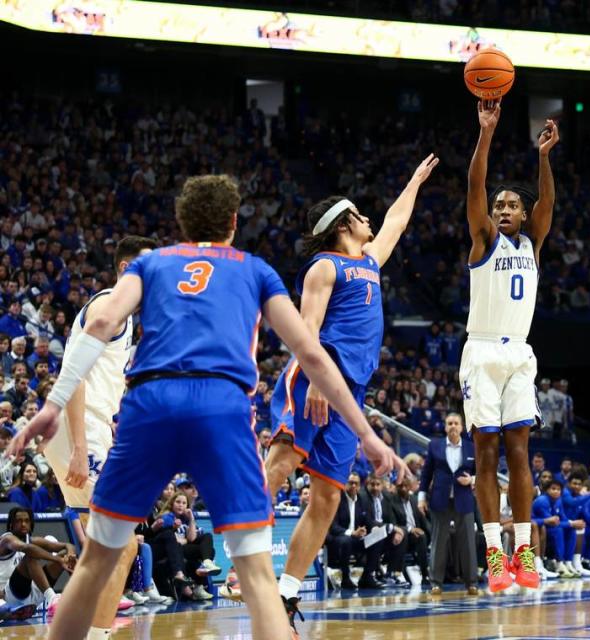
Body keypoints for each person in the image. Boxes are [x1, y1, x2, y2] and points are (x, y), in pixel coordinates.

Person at [7, 174, 403, 640]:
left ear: (180, 222)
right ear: (234, 222)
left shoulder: (150, 265)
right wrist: (369, 434)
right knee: (256, 577)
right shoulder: (255, 269)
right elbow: (312, 355)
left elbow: (100, 325)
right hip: (219, 409)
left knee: (96, 560)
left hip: (150, 406)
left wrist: (52, 405)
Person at [263, 156, 435, 629]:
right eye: (360, 215)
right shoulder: (324, 266)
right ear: (343, 225)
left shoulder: (370, 260)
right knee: (282, 461)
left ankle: (286, 592)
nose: (369, 219)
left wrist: (415, 180)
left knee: (328, 497)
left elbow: (397, 221)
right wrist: (318, 379)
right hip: (318, 373)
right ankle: (245, 564)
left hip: (351, 391)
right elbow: (306, 329)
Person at [460, 98, 559, 592]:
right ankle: (494, 554)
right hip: (480, 352)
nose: (502, 209)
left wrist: (543, 158)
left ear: (524, 213)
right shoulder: (484, 239)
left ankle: (523, 550)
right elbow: (475, 185)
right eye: (499, 205)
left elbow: (548, 205)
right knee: (486, 451)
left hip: (519, 352)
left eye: (511, 205)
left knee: (519, 449)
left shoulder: (532, 242)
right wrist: (487, 133)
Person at [36, 236, 157, 633]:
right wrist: (81, 446)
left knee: (104, 548)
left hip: (88, 428)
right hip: (79, 430)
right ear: (125, 269)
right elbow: (74, 376)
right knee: (123, 544)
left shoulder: (122, 312)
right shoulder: (108, 306)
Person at [417, 412, 478, 595]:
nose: (453, 426)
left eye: (456, 423)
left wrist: (472, 480)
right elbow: (426, 474)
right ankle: (436, 583)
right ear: (445, 427)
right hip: (439, 500)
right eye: (449, 423)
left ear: (462, 427)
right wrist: (421, 498)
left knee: (468, 542)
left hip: (464, 500)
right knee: (438, 542)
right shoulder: (434, 446)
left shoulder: (471, 448)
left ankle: (472, 583)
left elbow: (483, 472)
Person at [0, 507, 76, 617]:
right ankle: (52, 598)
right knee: (30, 555)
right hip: (10, 595)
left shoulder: (32, 540)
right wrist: (58, 560)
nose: (23, 524)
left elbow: (69, 545)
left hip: (33, 591)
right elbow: (27, 548)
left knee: (66, 555)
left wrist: (70, 555)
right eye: (19, 521)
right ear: (11, 524)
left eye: (26, 521)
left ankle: (82, 595)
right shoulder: (6, 540)